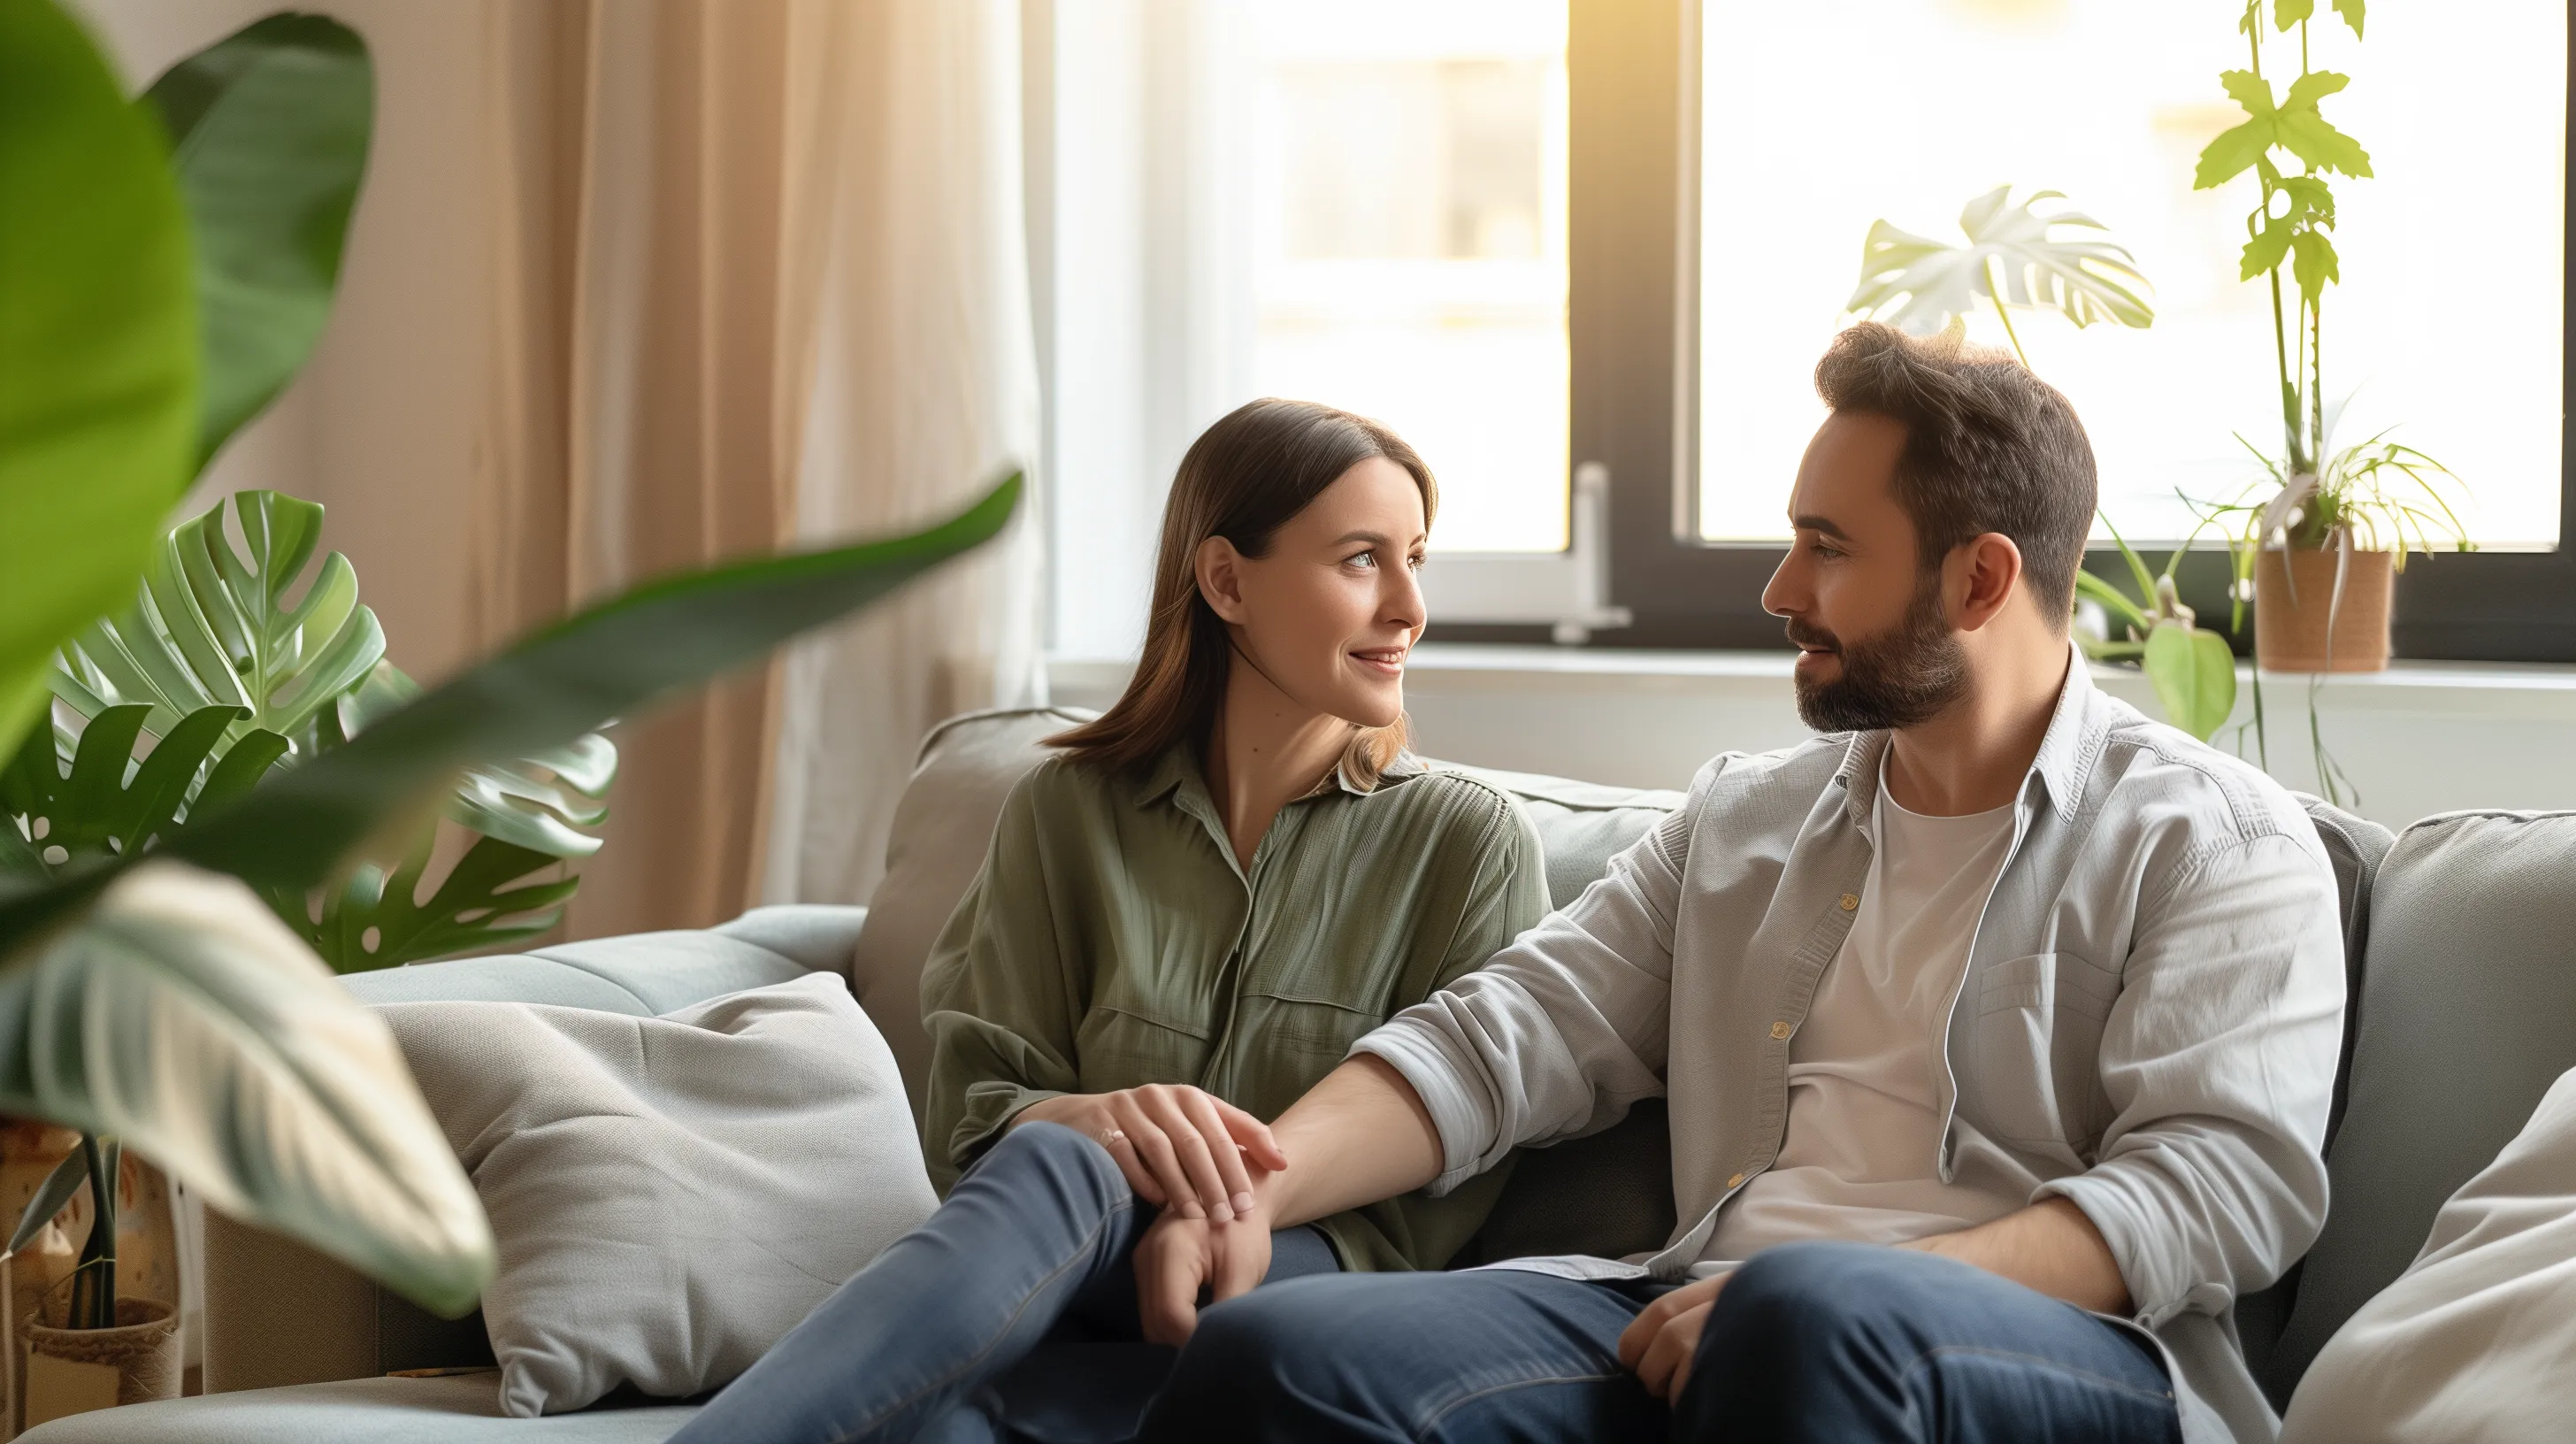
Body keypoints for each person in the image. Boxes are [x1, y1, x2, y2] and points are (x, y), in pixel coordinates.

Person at [1126, 323, 2348, 1444]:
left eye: (1829, 549)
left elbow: (2220, 1188)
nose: (1780, 590)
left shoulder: (2215, 843)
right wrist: (1251, 1189)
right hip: (1701, 1314)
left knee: (1807, 1319)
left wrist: (1837, 1293)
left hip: (2055, 1359)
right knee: (1269, 1353)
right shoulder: (1745, 822)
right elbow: (1506, 1036)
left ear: (1979, 581)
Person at [665, 397, 1549, 1444]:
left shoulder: (1466, 844)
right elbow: (972, 1102)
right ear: (1224, 580)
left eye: (1414, 558)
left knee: (959, 1398)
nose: (1408, 606)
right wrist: (1082, 1117)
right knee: (1050, 1187)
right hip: (1067, 1260)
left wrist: (1218, 1207)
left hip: (1312, 1285)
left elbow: (1458, 1172)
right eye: (1361, 559)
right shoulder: (1067, 812)